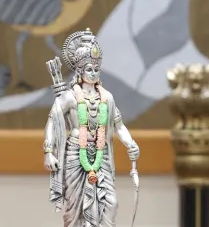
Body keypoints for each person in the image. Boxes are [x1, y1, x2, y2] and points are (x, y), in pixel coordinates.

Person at [43, 28, 140, 227]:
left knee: (111, 203)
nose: (94, 73)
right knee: (76, 210)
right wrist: (48, 152)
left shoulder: (107, 97)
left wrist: (131, 143)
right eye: (89, 69)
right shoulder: (70, 96)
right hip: (75, 156)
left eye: (97, 69)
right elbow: (53, 121)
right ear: (79, 70)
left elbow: (119, 125)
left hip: (101, 156)